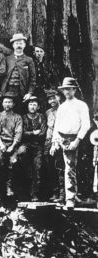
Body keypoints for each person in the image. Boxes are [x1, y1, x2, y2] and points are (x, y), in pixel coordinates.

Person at [50, 77, 90, 208]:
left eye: (69, 89)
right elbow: (57, 125)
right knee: (60, 167)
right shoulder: (62, 106)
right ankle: (64, 196)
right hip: (61, 139)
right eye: (65, 89)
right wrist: (54, 142)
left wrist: (77, 141)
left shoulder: (81, 105)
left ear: (74, 90)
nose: (67, 92)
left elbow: (86, 125)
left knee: (70, 168)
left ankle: (71, 198)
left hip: (74, 138)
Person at [0, 92, 23, 197]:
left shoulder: (18, 117)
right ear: (2, 104)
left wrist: (12, 147)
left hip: (13, 144)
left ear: (13, 104)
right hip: (0, 143)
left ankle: (9, 186)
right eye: (5, 102)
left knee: (13, 162)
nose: (7, 104)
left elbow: (18, 133)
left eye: (10, 102)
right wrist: (1, 144)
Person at [17, 96, 47, 201]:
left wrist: (34, 135)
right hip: (26, 144)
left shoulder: (41, 117)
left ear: (38, 107)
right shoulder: (23, 117)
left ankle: (34, 194)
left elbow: (43, 133)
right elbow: (22, 133)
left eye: (35, 104)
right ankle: (24, 190)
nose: (32, 107)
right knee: (21, 153)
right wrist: (33, 133)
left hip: (38, 146)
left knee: (37, 168)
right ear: (27, 106)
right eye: (30, 104)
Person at [1, 33, 36, 112]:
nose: (18, 46)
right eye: (16, 43)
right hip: (8, 90)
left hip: (21, 91)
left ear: (24, 45)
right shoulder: (7, 59)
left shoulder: (29, 60)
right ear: (13, 45)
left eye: (21, 43)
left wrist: (30, 93)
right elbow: (1, 75)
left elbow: (33, 78)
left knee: (20, 110)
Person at [44, 89, 64, 202]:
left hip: (59, 141)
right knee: (50, 168)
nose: (52, 101)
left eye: (54, 98)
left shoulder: (64, 110)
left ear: (59, 97)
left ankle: (62, 194)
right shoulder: (48, 112)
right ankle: (55, 193)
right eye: (50, 99)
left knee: (59, 167)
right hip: (48, 141)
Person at [33, 43, 56, 111]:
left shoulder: (48, 65)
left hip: (45, 92)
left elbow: (53, 79)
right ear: (34, 53)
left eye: (41, 51)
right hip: (34, 91)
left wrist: (50, 89)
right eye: (37, 51)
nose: (39, 53)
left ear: (44, 53)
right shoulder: (31, 64)